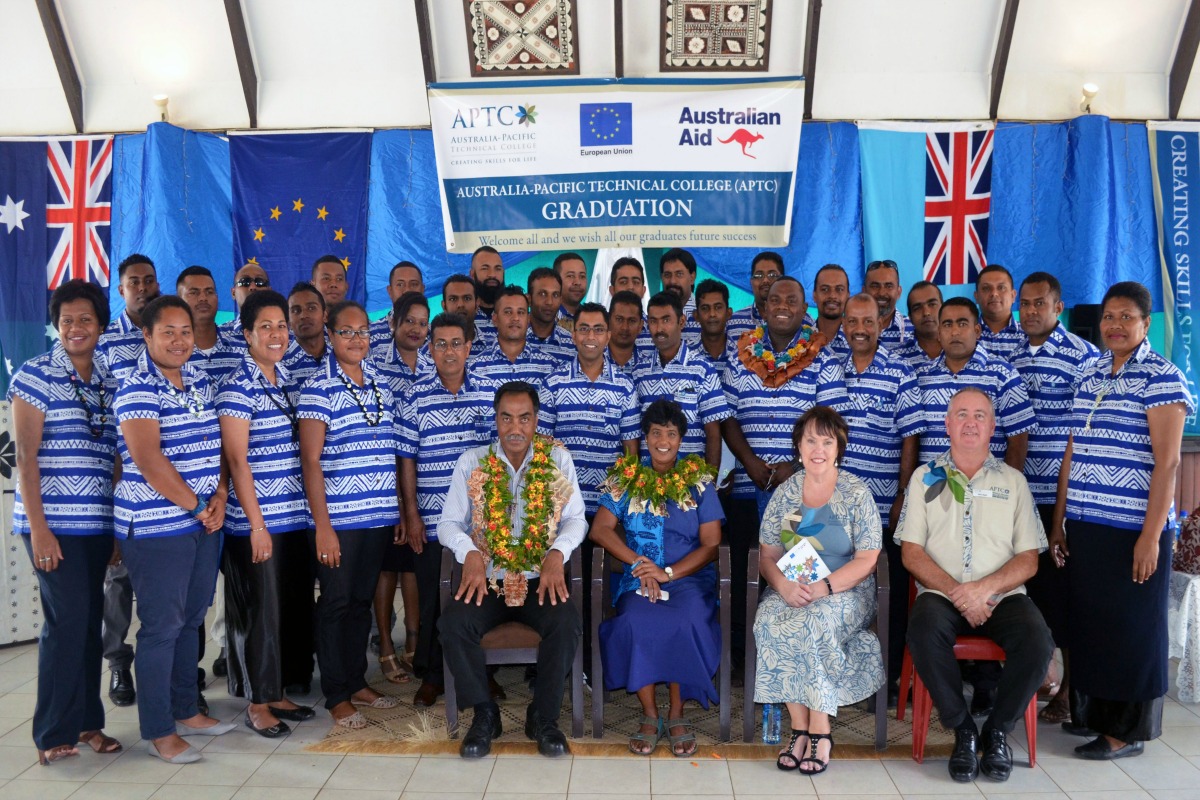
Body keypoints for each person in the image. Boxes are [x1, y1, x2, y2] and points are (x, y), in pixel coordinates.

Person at [1049, 281, 1195, 760]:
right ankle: (1094, 718)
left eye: (1126, 317)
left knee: (1132, 629)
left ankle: (1125, 733)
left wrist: (1151, 537)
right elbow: (1074, 447)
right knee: (1094, 624)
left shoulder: (1163, 377)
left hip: (1134, 528)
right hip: (1087, 526)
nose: (1114, 325)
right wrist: (1060, 521)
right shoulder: (1089, 373)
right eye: (1109, 316)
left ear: (1145, 323)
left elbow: (1169, 463)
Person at [898, 387, 1053, 783]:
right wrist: (959, 593)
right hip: (942, 593)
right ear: (947, 424)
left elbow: (1029, 559)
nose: (970, 422)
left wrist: (984, 590)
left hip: (1002, 596)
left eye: (979, 415)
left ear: (993, 426)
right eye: (961, 414)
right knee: (923, 628)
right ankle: (963, 729)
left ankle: (997, 729)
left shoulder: (1014, 482)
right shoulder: (924, 477)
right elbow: (912, 553)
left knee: (1038, 642)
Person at [112, 295, 236, 764]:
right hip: (157, 526)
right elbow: (148, 460)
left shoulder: (201, 378)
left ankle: (187, 709)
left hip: (205, 521)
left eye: (185, 331)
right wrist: (200, 504)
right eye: (168, 332)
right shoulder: (137, 387)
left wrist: (220, 495)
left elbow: (219, 446)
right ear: (146, 336)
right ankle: (159, 729)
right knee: (161, 627)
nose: (180, 340)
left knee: (191, 617)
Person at [438, 381, 587, 759]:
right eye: (506, 418)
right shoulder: (472, 462)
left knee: (565, 623)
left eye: (524, 418)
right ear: (496, 419)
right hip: (488, 580)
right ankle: (485, 714)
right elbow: (448, 524)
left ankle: (543, 717)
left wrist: (557, 552)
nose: (515, 428)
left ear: (536, 420)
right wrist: (469, 552)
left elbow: (576, 520)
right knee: (454, 624)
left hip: (541, 581)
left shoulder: (556, 461)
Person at [9, 280, 123, 765]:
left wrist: (117, 526)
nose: (76, 328)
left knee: (88, 623)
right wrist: (39, 529)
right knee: (65, 624)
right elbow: (26, 459)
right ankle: (52, 731)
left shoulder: (108, 379)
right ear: (56, 325)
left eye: (86, 320)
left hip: (97, 524)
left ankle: (87, 723)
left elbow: (118, 456)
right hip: (53, 525)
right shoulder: (35, 377)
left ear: (100, 325)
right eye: (67, 320)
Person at [753, 407, 884, 776]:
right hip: (794, 583)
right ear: (798, 446)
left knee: (814, 621)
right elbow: (768, 555)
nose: (818, 449)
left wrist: (825, 587)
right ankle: (798, 730)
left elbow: (868, 558)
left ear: (838, 448)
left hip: (846, 588)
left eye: (827, 441)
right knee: (769, 619)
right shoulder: (785, 493)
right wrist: (782, 585)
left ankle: (821, 733)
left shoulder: (856, 492)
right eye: (811, 440)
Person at [590, 400, 722, 756]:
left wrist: (669, 573)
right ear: (645, 437)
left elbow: (711, 545)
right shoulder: (625, 478)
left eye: (672, 433)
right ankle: (650, 713)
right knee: (635, 620)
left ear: (681, 439)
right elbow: (600, 530)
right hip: (640, 577)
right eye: (656, 433)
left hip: (688, 578)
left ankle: (677, 713)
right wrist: (640, 564)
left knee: (686, 619)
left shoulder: (699, 482)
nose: (663, 440)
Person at [297, 300, 402, 729]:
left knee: (361, 602)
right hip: (337, 520)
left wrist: (394, 509)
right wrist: (322, 527)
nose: (357, 339)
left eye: (363, 332)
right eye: (347, 332)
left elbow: (389, 452)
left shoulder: (380, 383)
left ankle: (357, 681)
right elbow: (310, 461)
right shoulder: (317, 388)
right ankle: (336, 694)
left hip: (377, 516)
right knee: (336, 604)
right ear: (330, 335)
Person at [217, 290, 316, 737]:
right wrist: (257, 526)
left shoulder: (285, 379)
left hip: (293, 517)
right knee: (261, 612)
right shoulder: (238, 387)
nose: (277, 335)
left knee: (286, 610)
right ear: (247, 334)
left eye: (281, 326)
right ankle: (259, 703)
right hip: (257, 523)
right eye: (266, 328)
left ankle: (275, 691)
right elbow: (237, 461)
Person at [1007, 271, 1099, 724]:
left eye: (1039, 303)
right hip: (1016, 496)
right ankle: (1036, 680)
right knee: (1032, 594)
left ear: (1058, 307)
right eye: (1024, 303)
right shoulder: (1009, 355)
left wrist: (1059, 517)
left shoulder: (1084, 359)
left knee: (1067, 597)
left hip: (1060, 498)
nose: (1029, 311)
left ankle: (1071, 693)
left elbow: (1079, 438)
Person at [398, 313, 500, 708]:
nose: (449, 351)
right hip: (432, 515)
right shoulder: (414, 395)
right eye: (440, 343)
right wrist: (412, 515)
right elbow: (407, 460)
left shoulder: (490, 393)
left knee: (480, 597)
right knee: (433, 598)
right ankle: (433, 676)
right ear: (430, 348)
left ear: (469, 346)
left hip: (482, 523)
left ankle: (483, 675)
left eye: (456, 343)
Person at [835, 293, 926, 702]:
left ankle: (886, 680)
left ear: (880, 323)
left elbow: (911, 437)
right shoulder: (828, 370)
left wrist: (903, 494)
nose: (859, 329)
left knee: (888, 591)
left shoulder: (901, 372)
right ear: (842, 325)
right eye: (852, 321)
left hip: (884, 502)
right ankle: (836, 673)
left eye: (867, 321)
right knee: (836, 589)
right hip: (834, 507)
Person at [98, 255, 161, 709]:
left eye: (148, 281)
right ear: (121, 290)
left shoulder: (171, 337)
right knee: (119, 583)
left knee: (166, 589)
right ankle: (119, 662)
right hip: (124, 486)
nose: (142, 287)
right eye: (133, 282)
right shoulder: (103, 348)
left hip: (173, 491)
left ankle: (177, 668)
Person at [373, 291, 432, 682]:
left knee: (413, 567)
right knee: (388, 570)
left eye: (422, 322)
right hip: (386, 483)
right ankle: (385, 646)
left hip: (424, 485)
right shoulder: (377, 369)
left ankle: (415, 641)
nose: (416, 329)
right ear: (393, 322)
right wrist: (396, 498)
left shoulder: (433, 365)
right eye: (408, 320)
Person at [915, 297, 1035, 467]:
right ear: (939, 334)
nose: (955, 331)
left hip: (987, 488)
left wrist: (1006, 489)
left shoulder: (1002, 375)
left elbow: (1018, 442)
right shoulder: (922, 378)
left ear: (977, 331)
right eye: (947, 324)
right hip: (931, 488)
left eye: (962, 324)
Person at [633, 292, 731, 470]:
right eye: (653, 321)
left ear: (682, 322)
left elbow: (714, 434)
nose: (659, 328)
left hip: (690, 483)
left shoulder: (703, 370)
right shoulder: (639, 371)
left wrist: (708, 485)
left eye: (666, 320)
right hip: (647, 483)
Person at [471, 285, 560, 386]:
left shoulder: (550, 366)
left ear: (528, 320)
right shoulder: (475, 367)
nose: (515, 318)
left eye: (521, 312)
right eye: (508, 312)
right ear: (495, 319)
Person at [370, 261, 425, 354]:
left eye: (414, 284)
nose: (407, 290)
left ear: (422, 290)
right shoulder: (372, 333)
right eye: (400, 284)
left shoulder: (435, 334)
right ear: (390, 291)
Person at [282, 281, 330, 388]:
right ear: (288, 321)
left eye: (311, 308)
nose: (303, 315)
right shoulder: (279, 364)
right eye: (296, 310)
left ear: (325, 315)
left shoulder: (342, 354)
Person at [728, 251, 783, 343]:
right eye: (759, 275)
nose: (765, 280)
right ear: (751, 281)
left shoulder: (801, 320)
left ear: (783, 280)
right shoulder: (732, 322)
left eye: (772, 275)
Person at [526, 268, 577, 362]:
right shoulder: (513, 339)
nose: (549, 302)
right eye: (542, 294)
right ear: (529, 299)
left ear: (561, 300)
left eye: (555, 295)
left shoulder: (573, 346)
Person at [975, 265, 1024, 361]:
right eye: (986, 288)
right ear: (976, 297)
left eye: (1001, 287)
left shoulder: (1029, 335)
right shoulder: (966, 335)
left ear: (1013, 296)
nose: (994, 293)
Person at [219, 261, 272, 349]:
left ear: (269, 291)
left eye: (260, 282)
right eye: (244, 282)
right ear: (233, 293)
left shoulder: (287, 336)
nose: (253, 287)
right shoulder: (220, 336)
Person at [892, 281, 942, 372]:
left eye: (932, 304)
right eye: (917, 308)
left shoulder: (963, 350)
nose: (926, 312)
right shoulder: (896, 359)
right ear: (910, 317)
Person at [864, 259, 912, 351]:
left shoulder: (914, 329)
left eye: (889, 286)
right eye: (875, 286)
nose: (882, 293)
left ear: (899, 292)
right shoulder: (849, 330)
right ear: (864, 291)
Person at [692, 279, 737, 370]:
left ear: (728, 313)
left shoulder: (741, 354)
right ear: (696, 315)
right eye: (705, 308)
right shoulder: (685, 354)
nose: (712, 314)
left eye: (718, 307)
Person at [607, 291, 653, 377]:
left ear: (640, 326)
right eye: (619, 319)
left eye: (632, 321)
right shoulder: (594, 362)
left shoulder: (650, 368)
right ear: (608, 321)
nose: (625, 327)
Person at [441, 273, 493, 349]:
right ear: (444, 306)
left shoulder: (493, 345)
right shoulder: (429, 350)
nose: (460, 305)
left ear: (477, 304)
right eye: (453, 299)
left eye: (467, 298)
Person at [812, 264, 851, 356]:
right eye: (825, 289)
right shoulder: (800, 338)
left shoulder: (857, 339)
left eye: (839, 289)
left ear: (848, 296)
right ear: (814, 295)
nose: (832, 296)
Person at [471, 246, 504, 344]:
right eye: (485, 268)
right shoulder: (464, 315)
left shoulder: (515, 316)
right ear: (472, 275)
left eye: (497, 269)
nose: (492, 274)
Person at [553, 252, 588, 330]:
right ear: (556, 280)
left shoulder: (592, 318)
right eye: (570, 276)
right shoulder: (546, 318)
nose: (577, 282)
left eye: (582, 276)